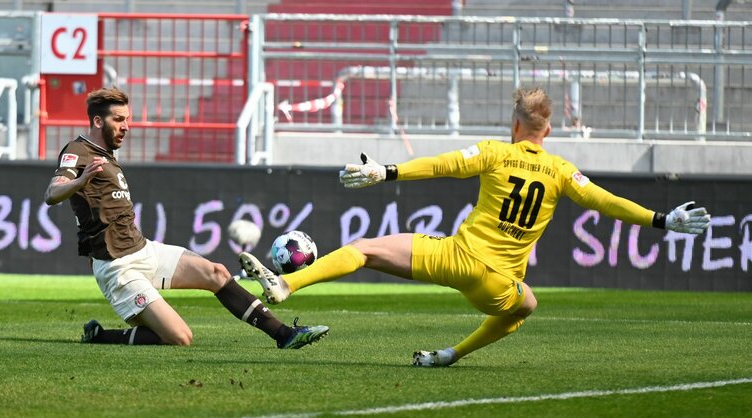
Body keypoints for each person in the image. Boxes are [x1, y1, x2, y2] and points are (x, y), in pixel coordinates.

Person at [239, 87, 711, 366]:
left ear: (515, 124)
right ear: (546, 130)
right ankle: (450, 355)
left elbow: (442, 165)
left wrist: (388, 172)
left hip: (454, 258)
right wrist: (662, 220)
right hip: (497, 283)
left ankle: (286, 282)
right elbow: (606, 202)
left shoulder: (493, 151)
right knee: (525, 305)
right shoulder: (563, 171)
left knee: (364, 249)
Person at [44, 87, 328, 348]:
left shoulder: (106, 155)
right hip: (118, 268)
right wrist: (80, 182)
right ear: (97, 121)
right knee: (180, 337)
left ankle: (285, 335)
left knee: (216, 272)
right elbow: (52, 193)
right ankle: (101, 337)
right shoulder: (78, 151)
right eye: (119, 120)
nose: (126, 127)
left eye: (127, 119)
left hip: (143, 250)